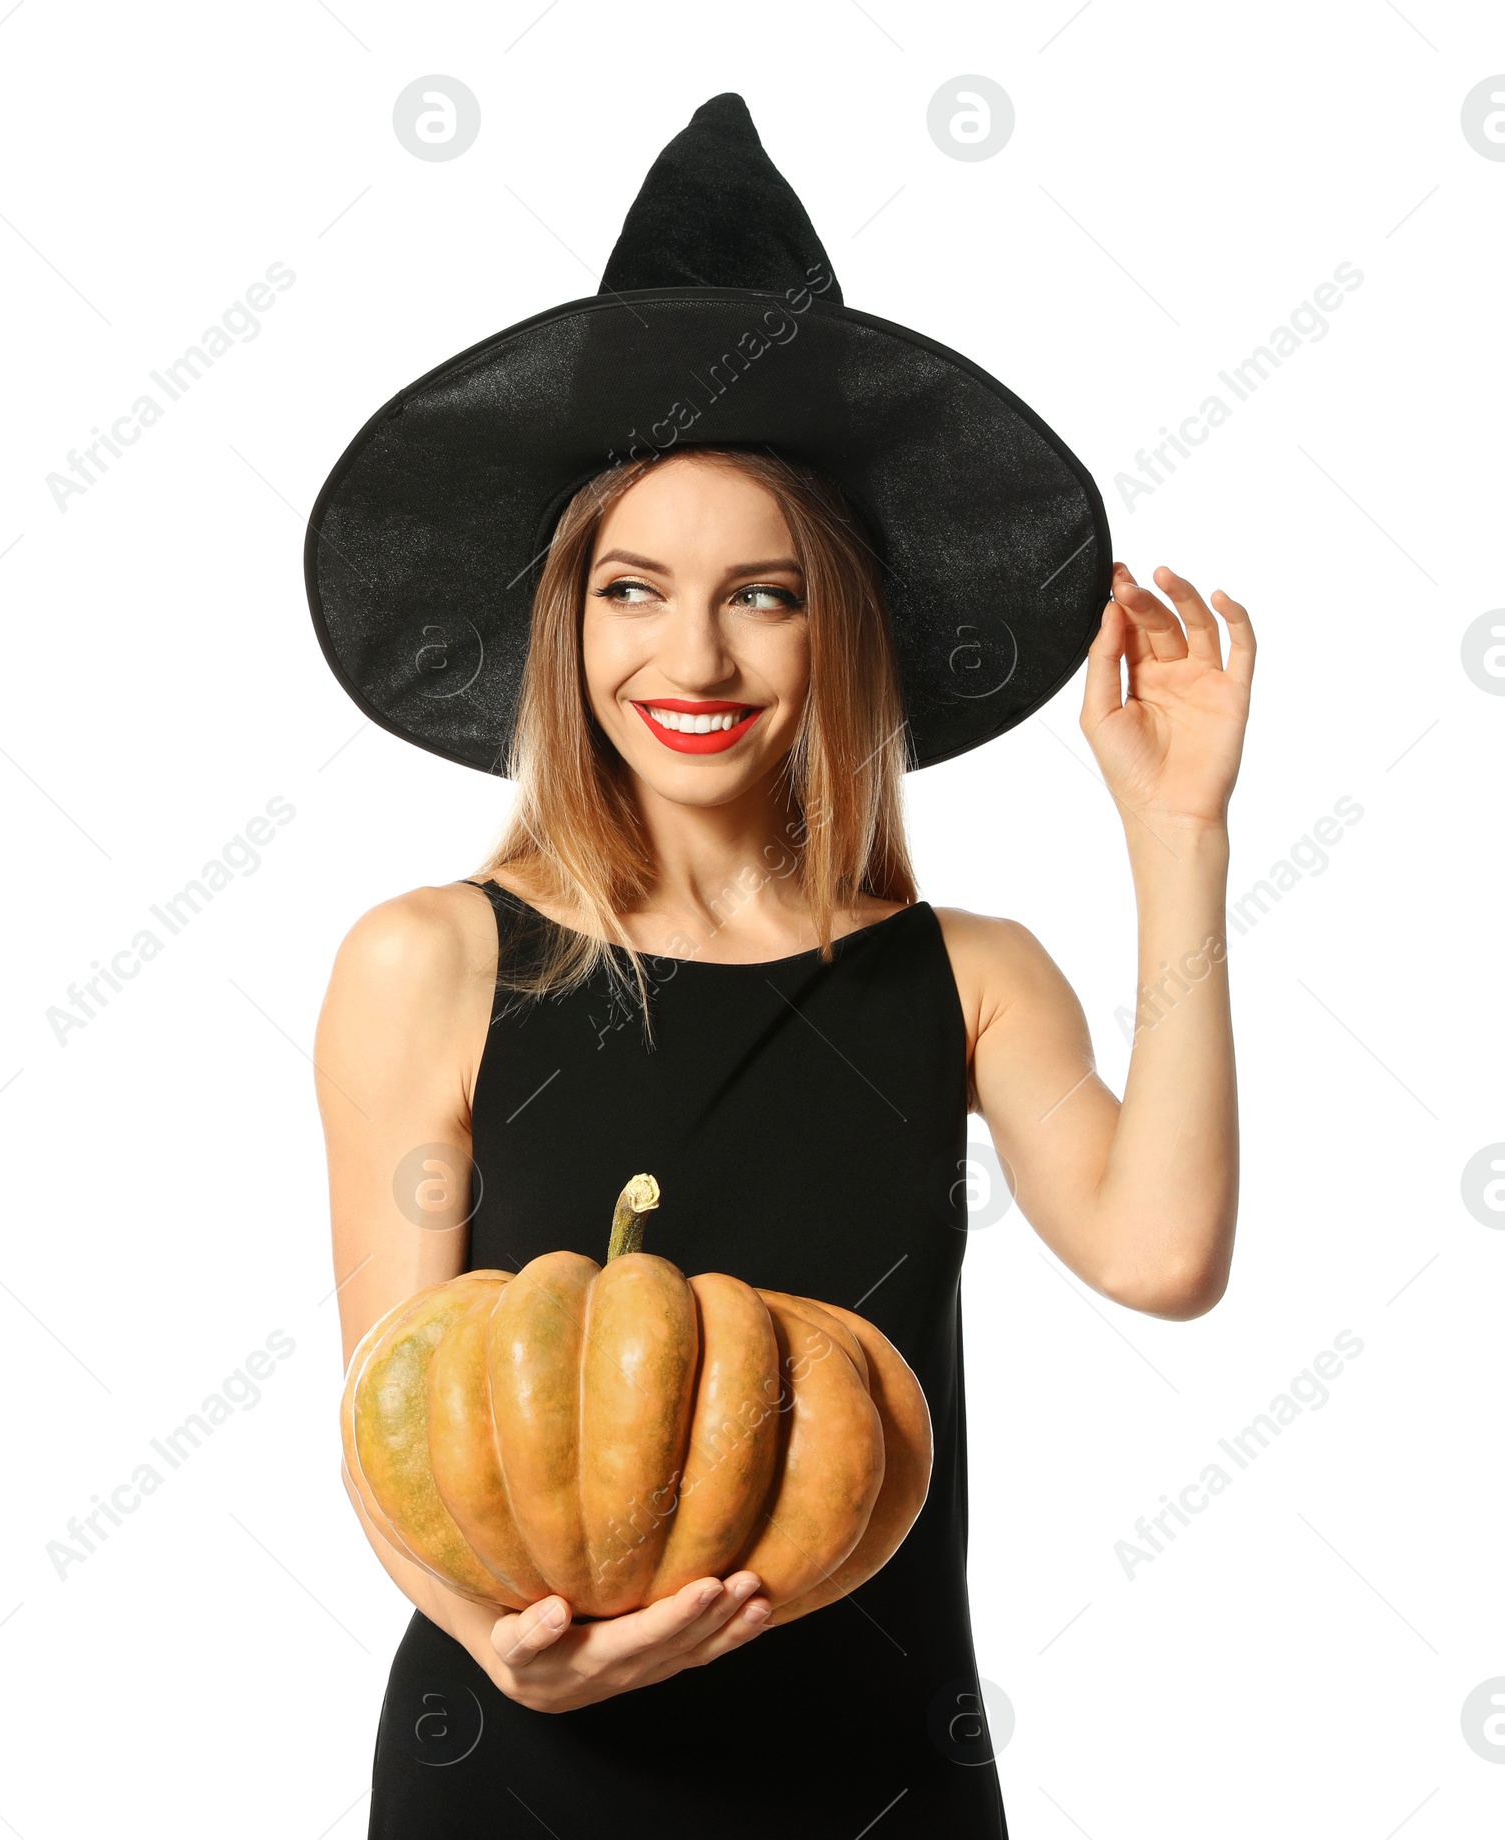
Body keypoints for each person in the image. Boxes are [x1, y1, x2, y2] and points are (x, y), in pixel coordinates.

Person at [307, 96, 1252, 1840]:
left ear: (841, 625)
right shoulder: (428, 961)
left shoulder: (966, 977)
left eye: (762, 596)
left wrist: (1175, 834)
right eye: (632, 588)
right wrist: (499, 1651)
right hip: (520, 1772)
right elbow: (398, 1428)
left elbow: (1166, 1254)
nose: (691, 654)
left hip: (871, 1776)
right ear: (566, 615)